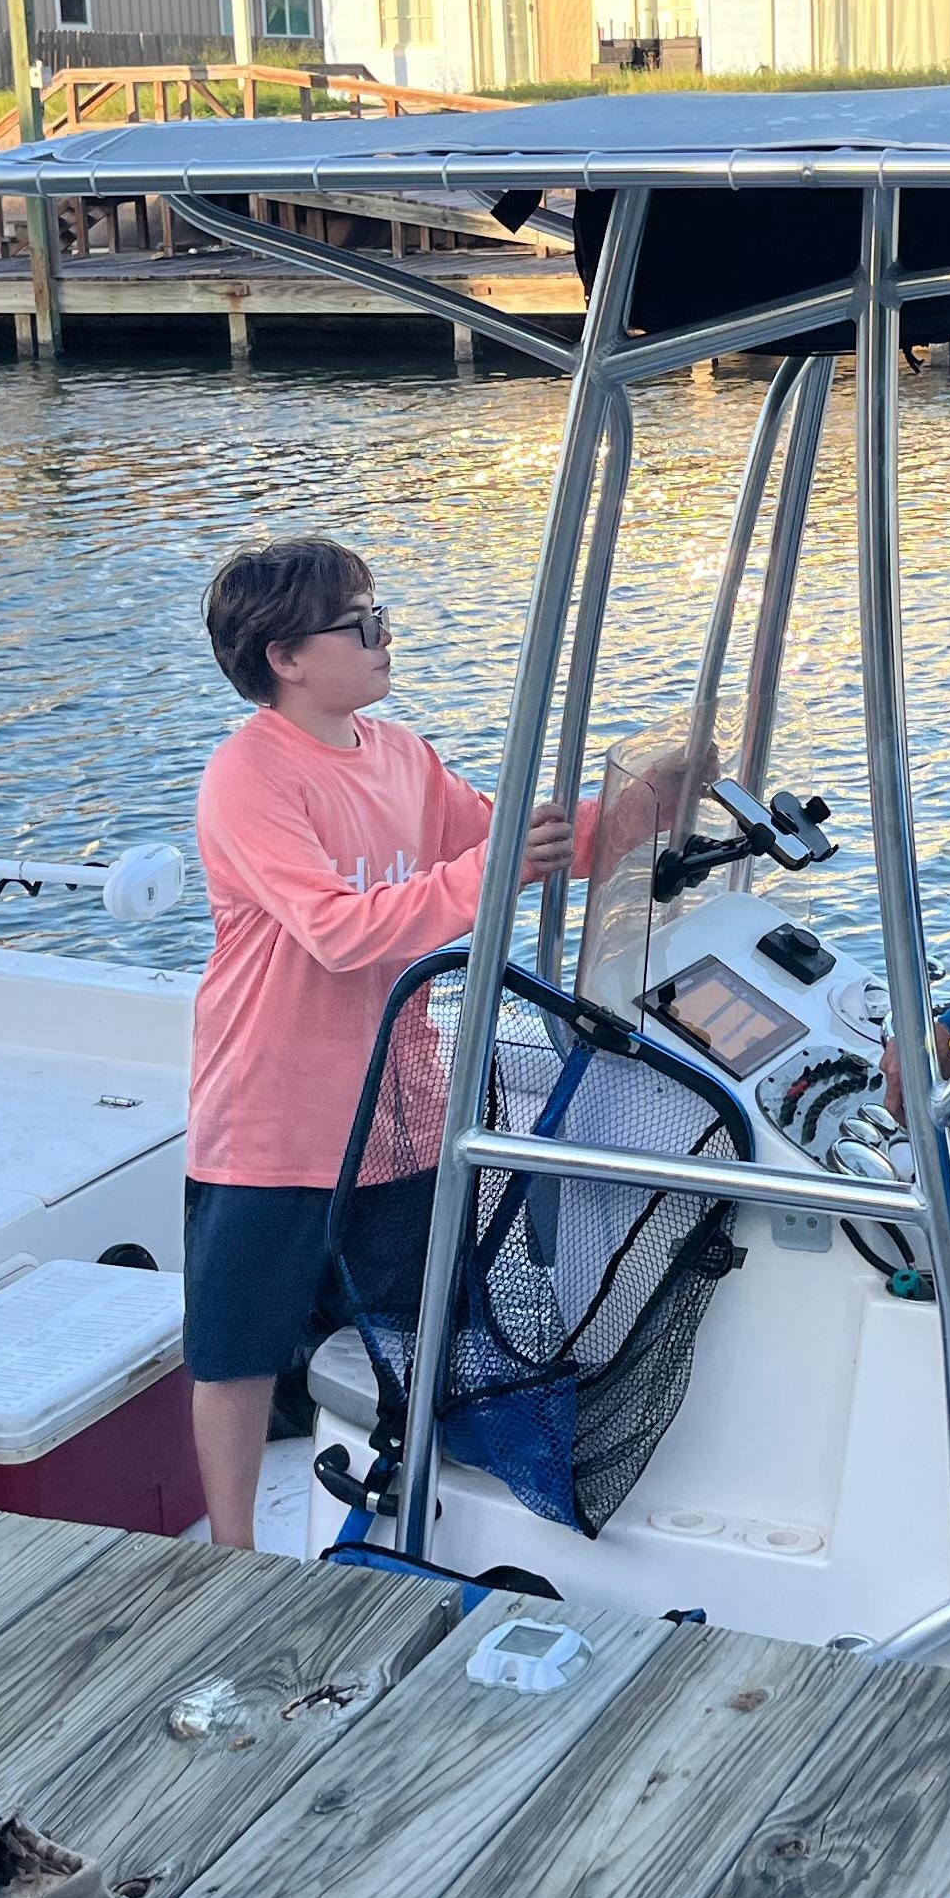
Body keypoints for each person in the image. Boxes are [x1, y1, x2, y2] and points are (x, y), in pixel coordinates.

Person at [183, 537, 573, 1553]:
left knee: (418, 1324)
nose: (383, 635)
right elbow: (339, 928)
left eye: (379, 615)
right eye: (358, 624)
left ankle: (427, 1524)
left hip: (401, 1113)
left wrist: (635, 814)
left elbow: (499, 843)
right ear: (286, 657)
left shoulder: (400, 753)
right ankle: (229, 1553)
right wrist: (490, 874)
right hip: (273, 1116)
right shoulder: (249, 778)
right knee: (238, 1352)